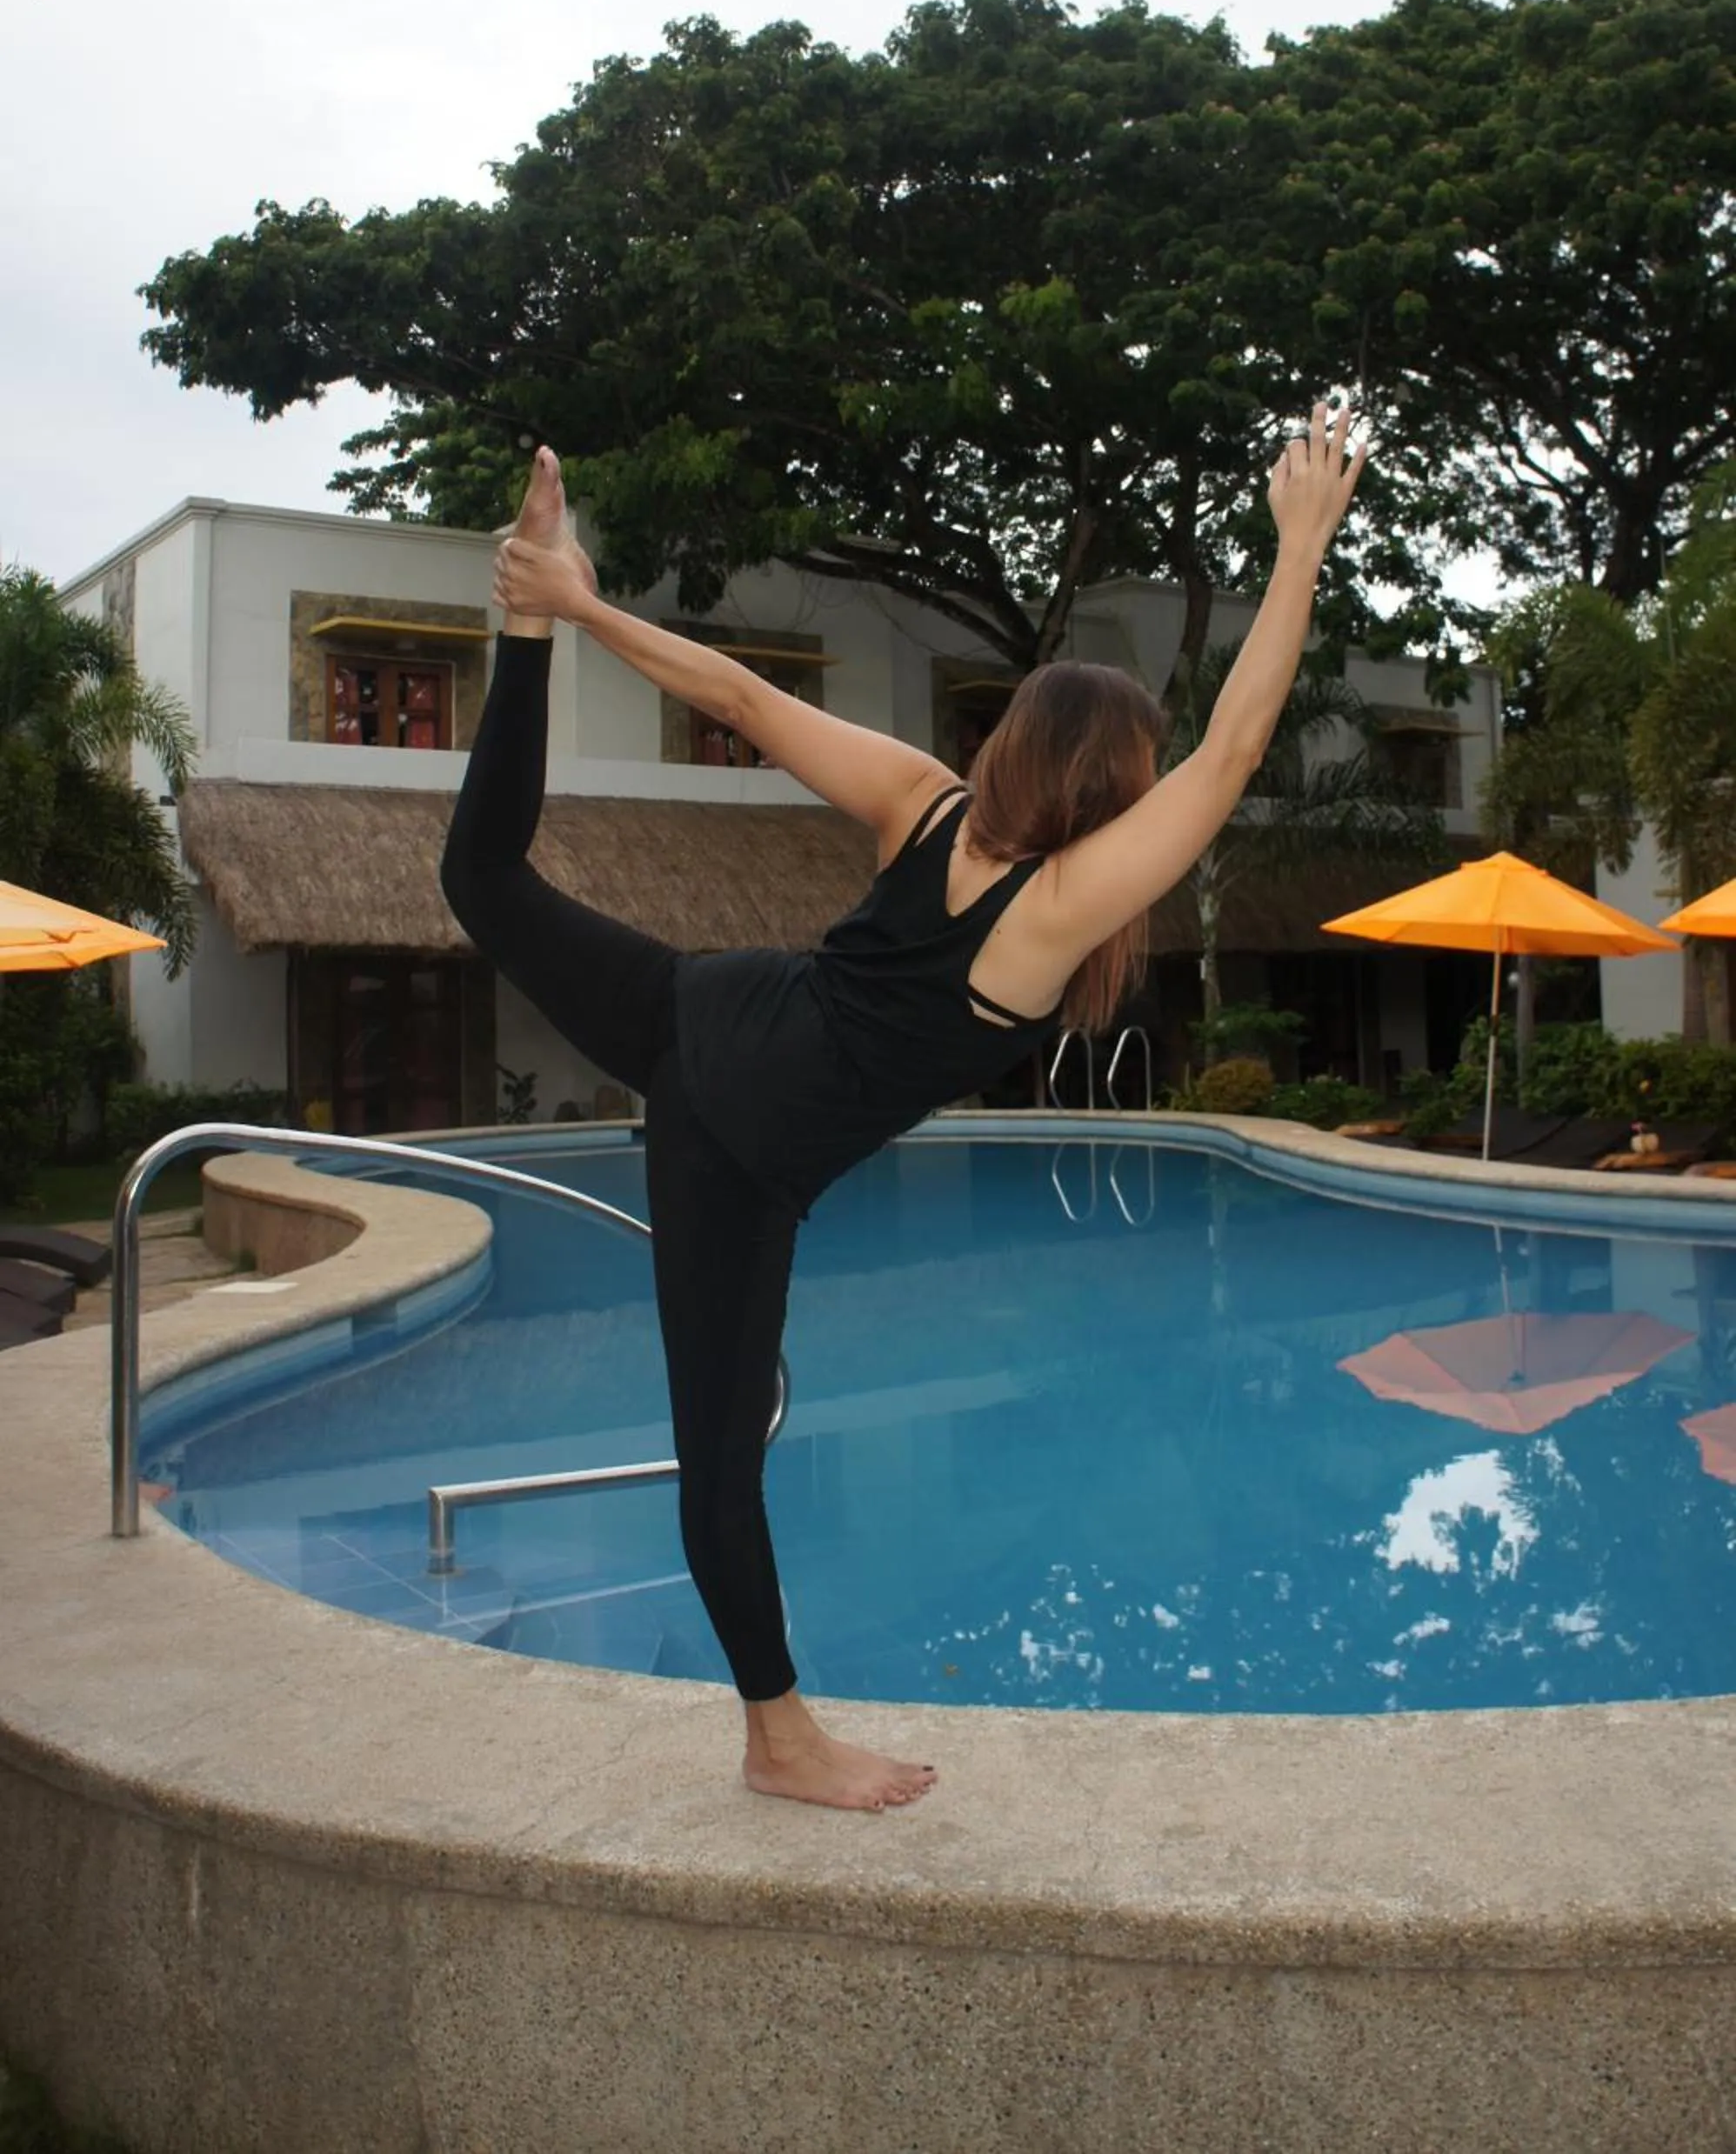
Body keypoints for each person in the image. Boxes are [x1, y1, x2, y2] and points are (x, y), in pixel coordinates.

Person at [442, 404, 1366, 1811]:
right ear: (1110, 796)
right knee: (721, 1461)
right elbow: (1230, 759)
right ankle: (778, 1739)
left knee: (486, 882)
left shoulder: (929, 805)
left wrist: (575, 603)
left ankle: (521, 637)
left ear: (1018, 748)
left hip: (696, 1019)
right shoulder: (1051, 915)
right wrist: (1298, 546)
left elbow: (742, 701)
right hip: (731, 1130)